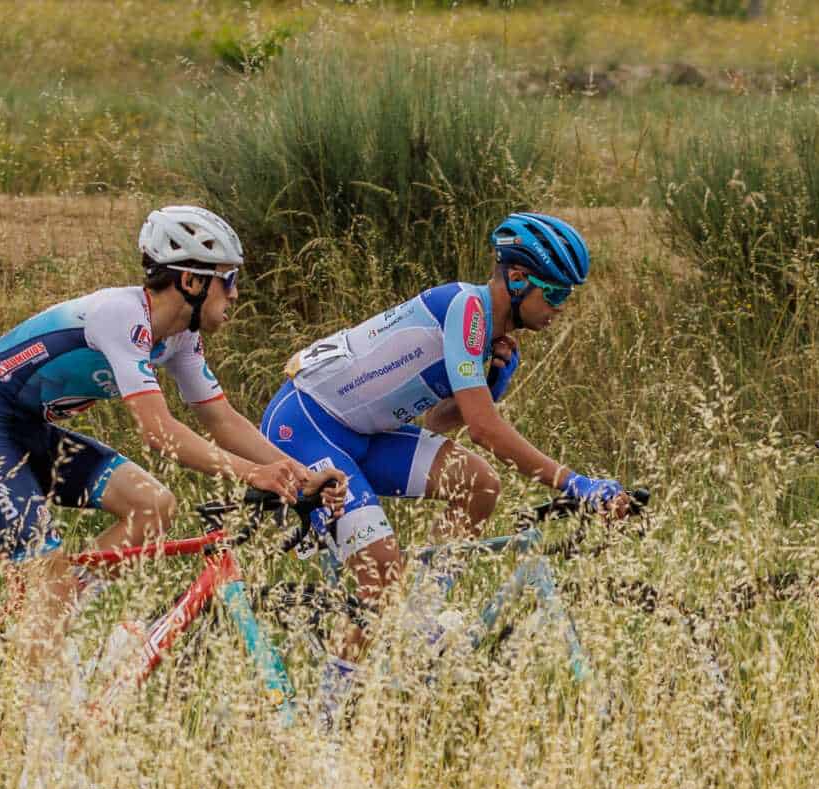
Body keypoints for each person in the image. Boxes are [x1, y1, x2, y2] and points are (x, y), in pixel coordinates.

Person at [0, 205, 326, 765]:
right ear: (191, 281)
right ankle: (41, 757)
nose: (236, 294)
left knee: (153, 506)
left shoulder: (179, 339)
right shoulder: (122, 316)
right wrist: (253, 474)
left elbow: (222, 420)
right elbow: (158, 433)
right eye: (229, 279)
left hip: (28, 429)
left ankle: (54, 624)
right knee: (47, 571)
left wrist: (298, 475)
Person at [258, 212, 631, 623]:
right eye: (556, 294)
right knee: (382, 583)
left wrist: (491, 386)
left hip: (363, 433)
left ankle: (419, 623)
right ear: (518, 279)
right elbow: (484, 430)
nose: (561, 308)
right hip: (307, 426)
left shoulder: (488, 333)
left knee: (479, 485)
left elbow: (436, 421)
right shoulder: (467, 308)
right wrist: (574, 482)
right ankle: (347, 667)